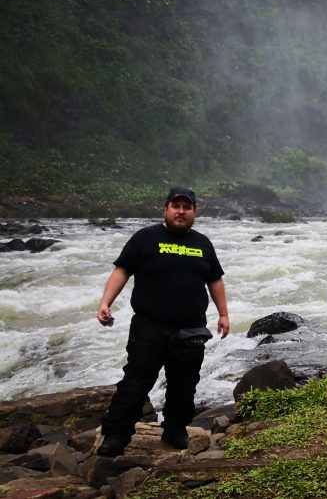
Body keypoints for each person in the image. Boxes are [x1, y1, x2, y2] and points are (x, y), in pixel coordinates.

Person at [95, 187, 229, 457]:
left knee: (184, 383)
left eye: (186, 207)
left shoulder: (202, 243)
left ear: (194, 212)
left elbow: (215, 279)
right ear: (166, 209)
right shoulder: (145, 238)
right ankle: (116, 436)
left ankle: (175, 430)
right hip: (149, 325)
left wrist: (223, 314)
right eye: (176, 206)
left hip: (191, 328)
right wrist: (105, 302)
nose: (181, 211)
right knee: (136, 382)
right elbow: (122, 270)